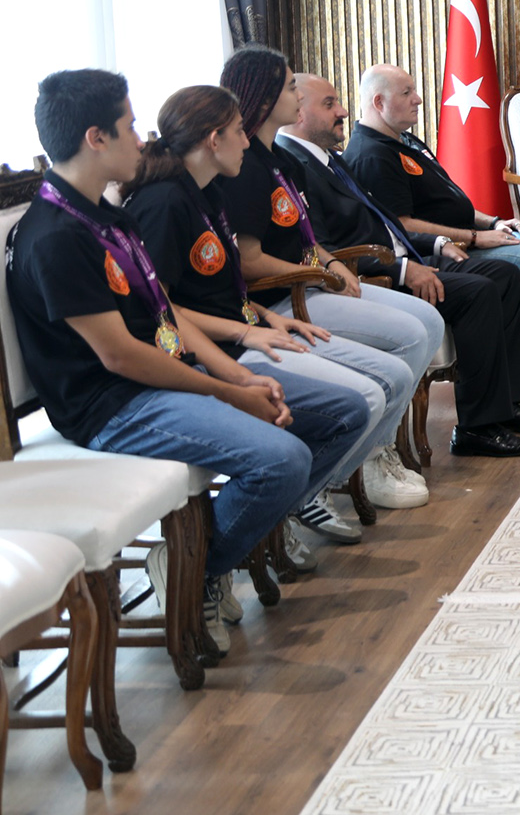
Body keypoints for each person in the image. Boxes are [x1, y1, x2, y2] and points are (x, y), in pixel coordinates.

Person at [6, 70, 362, 651]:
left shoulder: (103, 214)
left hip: (159, 377)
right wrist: (231, 393)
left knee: (338, 414)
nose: (142, 139)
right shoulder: (55, 236)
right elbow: (120, 355)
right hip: (110, 405)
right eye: (128, 127)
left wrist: (239, 372)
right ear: (95, 138)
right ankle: (197, 570)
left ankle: (198, 560)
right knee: (282, 461)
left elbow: (163, 310)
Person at [124, 85, 428, 525]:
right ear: (214, 140)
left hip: (248, 327)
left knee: (386, 379)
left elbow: (225, 286)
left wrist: (264, 317)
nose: (246, 142)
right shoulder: (165, 203)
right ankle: (289, 507)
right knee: (361, 398)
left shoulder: (206, 191)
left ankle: (294, 502)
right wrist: (247, 333)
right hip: (215, 348)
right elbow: (162, 309)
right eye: (237, 132)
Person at [215, 47, 446, 524]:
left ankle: (373, 449)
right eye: (290, 88)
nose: (297, 97)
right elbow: (249, 262)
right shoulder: (244, 166)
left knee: (427, 320)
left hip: (311, 281)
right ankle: (362, 461)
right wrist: (318, 273)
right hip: (281, 296)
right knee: (408, 335)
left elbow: (306, 238)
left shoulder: (280, 159)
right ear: (265, 97)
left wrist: (331, 262)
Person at [277, 73, 520, 458]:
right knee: (479, 290)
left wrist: (438, 243)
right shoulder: (297, 164)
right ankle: (477, 427)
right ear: (299, 111)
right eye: (329, 104)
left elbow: (386, 222)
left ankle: (505, 407)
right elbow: (325, 247)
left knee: (503, 274)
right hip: (375, 274)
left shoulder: (330, 160)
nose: (342, 111)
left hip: (407, 257)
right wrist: (404, 269)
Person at [341, 63, 520, 403]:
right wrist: (474, 237)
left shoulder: (403, 139)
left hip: (469, 235)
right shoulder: (371, 155)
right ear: (379, 102)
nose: (418, 99)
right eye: (407, 93)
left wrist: (494, 222)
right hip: (441, 250)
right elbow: (402, 225)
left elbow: (450, 201)